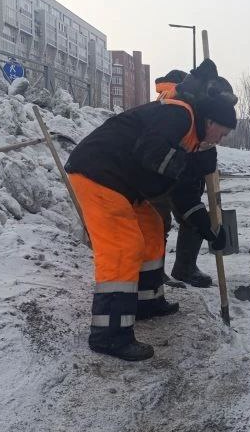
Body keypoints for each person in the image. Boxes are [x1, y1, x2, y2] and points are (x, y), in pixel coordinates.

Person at [65, 80, 237, 361]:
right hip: (97, 173)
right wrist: (187, 165)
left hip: (125, 185)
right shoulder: (178, 114)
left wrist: (209, 230)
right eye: (223, 132)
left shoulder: (194, 142)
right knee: (123, 247)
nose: (222, 139)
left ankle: (145, 302)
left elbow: (184, 197)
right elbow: (150, 150)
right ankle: (109, 335)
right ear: (210, 121)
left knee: (152, 229)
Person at [152, 61, 237, 288]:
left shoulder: (203, 109)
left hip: (186, 172)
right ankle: (154, 272)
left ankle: (184, 267)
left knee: (194, 217)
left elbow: (205, 144)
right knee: (157, 221)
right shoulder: (179, 106)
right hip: (160, 172)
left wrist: (207, 156)